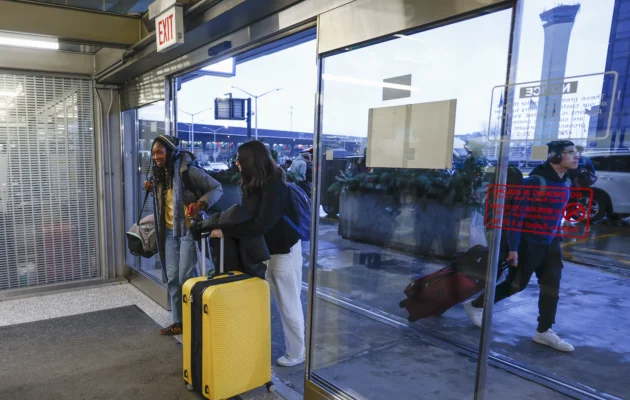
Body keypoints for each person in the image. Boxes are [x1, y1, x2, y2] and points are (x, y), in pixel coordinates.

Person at [464, 140, 580, 352]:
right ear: (555, 156)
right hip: (529, 243)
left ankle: (544, 330)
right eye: (570, 152)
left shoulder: (566, 182)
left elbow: (556, 215)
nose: (576, 156)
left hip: (552, 243)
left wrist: (557, 236)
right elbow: (516, 217)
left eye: (577, 152)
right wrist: (514, 248)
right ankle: (475, 305)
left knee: (552, 287)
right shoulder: (535, 182)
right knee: (516, 284)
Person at [204, 140, 305, 367]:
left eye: (240, 158)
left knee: (289, 305)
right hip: (265, 252)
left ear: (251, 160)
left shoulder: (274, 185)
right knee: (261, 301)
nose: (236, 162)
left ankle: (297, 353)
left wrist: (226, 228)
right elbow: (247, 217)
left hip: (283, 252)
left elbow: (261, 224)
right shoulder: (254, 183)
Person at [144, 135, 223, 336]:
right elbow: (166, 202)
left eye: (159, 152)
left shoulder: (189, 172)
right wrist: (151, 189)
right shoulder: (159, 174)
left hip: (188, 230)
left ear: (170, 152)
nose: (156, 157)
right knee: (172, 277)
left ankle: (194, 319)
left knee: (186, 277)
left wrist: (201, 204)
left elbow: (217, 187)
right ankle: (179, 321)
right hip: (169, 232)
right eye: (153, 153)